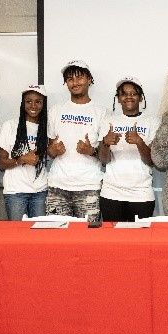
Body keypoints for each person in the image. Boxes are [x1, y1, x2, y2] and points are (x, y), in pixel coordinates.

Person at [46, 60, 109, 219]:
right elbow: (49, 150)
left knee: (89, 238)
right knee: (56, 237)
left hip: (89, 186)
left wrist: (91, 151)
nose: (75, 83)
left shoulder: (102, 113)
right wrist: (52, 151)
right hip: (57, 187)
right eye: (70, 79)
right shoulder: (55, 111)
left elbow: (105, 157)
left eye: (79, 77)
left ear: (89, 79)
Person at [98, 76, 160, 222]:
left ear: (141, 98)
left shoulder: (152, 121)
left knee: (139, 242)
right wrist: (106, 143)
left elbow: (151, 161)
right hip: (111, 192)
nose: (128, 97)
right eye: (124, 94)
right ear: (118, 99)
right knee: (113, 241)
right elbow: (103, 160)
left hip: (141, 193)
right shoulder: (109, 121)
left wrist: (139, 142)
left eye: (133, 93)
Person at [0, 85, 49, 220]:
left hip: (40, 192)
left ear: (43, 104)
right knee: (18, 236)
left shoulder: (47, 128)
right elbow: (1, 163)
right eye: (28, 101)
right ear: (23, 103)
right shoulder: (10, 126)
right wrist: (21, 159)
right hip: (15, 192)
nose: (33, 105)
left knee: (39, 237)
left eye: (38, 101)